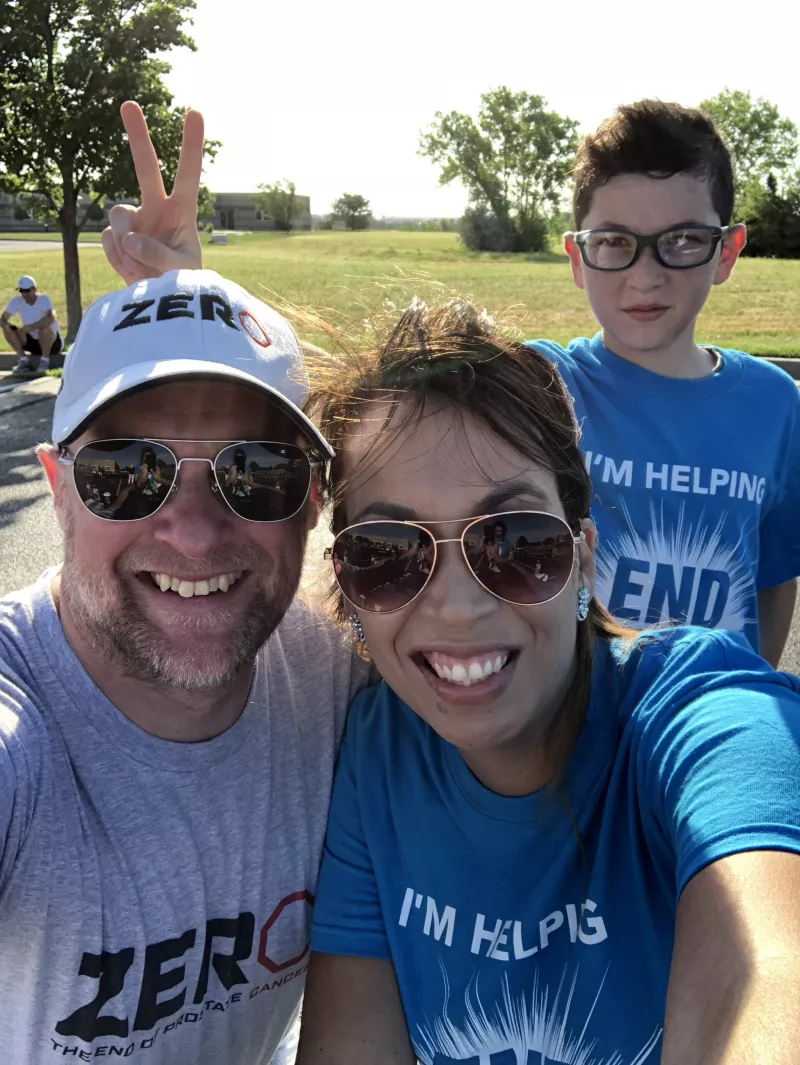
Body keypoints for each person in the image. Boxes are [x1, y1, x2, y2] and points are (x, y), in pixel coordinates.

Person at [284, 298, 800, 1065]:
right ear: (347, 584)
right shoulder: (380, 748)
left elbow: (768, 964)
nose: (457, 606)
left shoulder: (702, 713)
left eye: (515, 542)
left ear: (585, 556)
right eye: (387, 553)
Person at [0, 104, 368, 1064]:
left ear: (317, 498)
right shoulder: (19, 730)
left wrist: (198, 306)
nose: (197, 532)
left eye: (258, 473)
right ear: (58, 489)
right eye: (126, 471)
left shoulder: (341, 675)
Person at [528, 101, 800, 666]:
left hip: (712, 728)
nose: (645, 277)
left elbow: (774, 579)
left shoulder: (775, 406)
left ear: (726, 252)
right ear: (578, 258)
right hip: (571, 729)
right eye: (612, 242)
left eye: (682, 240)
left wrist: (753, 688)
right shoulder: (541, 386)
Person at [1, 274, 64, 373]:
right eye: (21, 291)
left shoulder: (44, 300)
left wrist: (30, 327)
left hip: (52, 344)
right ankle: (23, 361)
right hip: (32, 342)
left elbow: (51, 318)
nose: (24, 294)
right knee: (6, 328)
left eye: (27, 290)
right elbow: (3, 319)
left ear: (35, 289)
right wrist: (9, 327)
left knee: (45, 328)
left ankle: (44, 362)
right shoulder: (16, 301)